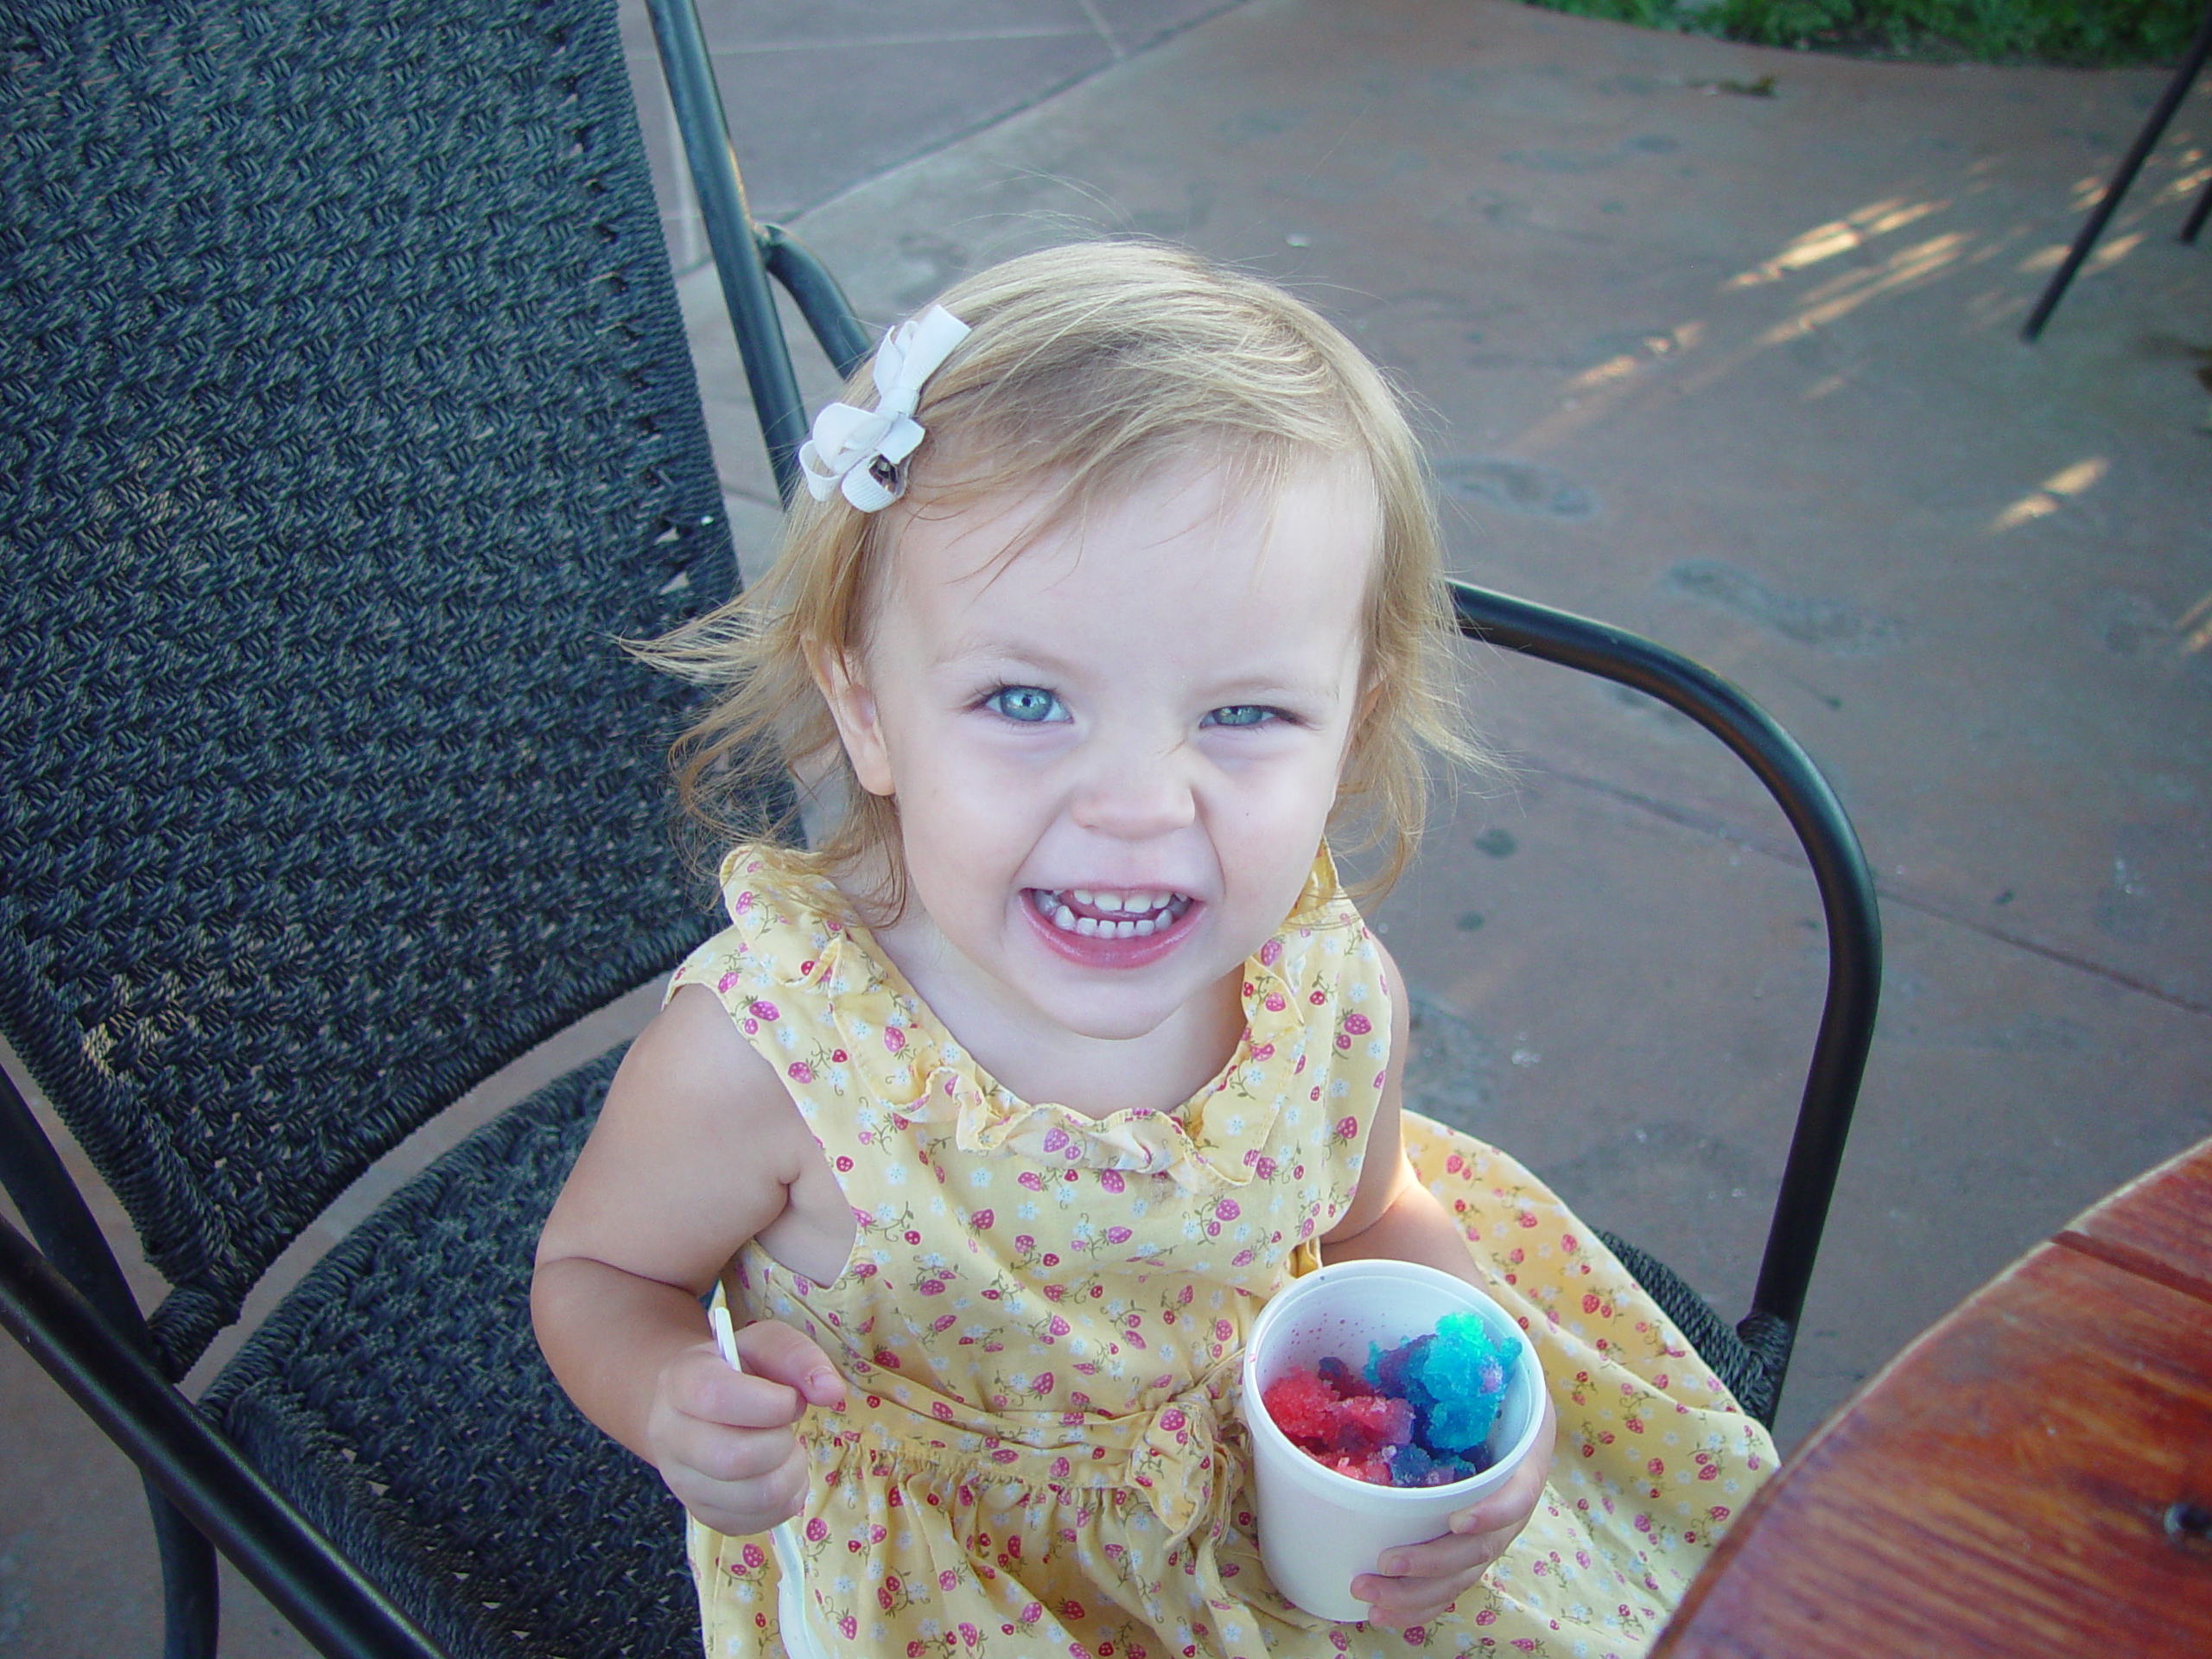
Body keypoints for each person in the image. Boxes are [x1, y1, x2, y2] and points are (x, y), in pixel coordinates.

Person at [531, 241, 1776, 1659]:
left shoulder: (1323, 990)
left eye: (1244, 716)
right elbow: (598, 1276)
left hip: (1281, 1512)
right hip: (953, 1581)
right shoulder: (776, 1056)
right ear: (867, 710)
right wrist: (667, 1397)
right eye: (1022, 697)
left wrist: (1477, 1389)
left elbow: (1372, 1215)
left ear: (1348, 731)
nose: (1135, 807)